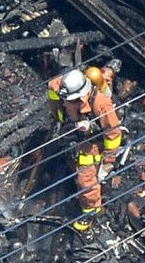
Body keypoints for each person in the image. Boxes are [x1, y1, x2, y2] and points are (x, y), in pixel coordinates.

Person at [47, 68, 124, 231]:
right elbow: (53, 91)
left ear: (82, 96)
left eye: (72, 101)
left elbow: (113, 135)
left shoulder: (100, 104)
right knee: (70, 160)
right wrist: (58, 117)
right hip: (73, 130)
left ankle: (92, 211)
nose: (66, 103)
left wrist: (108, 162)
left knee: (85, 180)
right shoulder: (58, 87)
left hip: (92, 142)